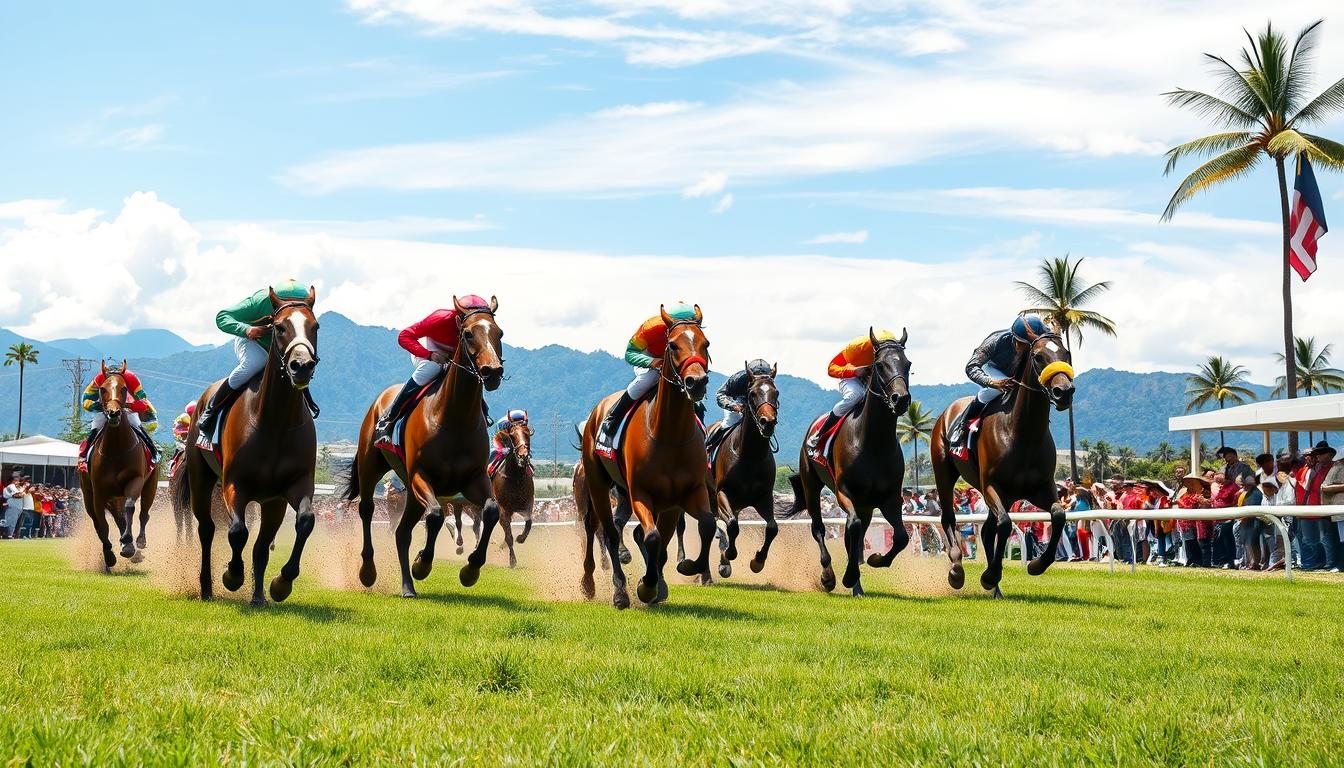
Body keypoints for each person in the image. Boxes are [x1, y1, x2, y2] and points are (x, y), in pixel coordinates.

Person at [195, 279, 313, 447]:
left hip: (280, 349)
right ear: (274, 300)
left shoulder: (305, 306)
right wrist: (247, 329)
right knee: (255, 363)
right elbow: (222, 317)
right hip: (252, 342)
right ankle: (210, 412)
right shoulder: (260, 301)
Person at [374, 296, 497, 445]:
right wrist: (429, 355)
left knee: (470, 372)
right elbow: (404, 336)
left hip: (454, 355)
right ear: (459, 320)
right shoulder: (440, 318)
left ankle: (483, 411)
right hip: (430, 349)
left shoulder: (482, 329)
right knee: (432, 368)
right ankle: (388, 419)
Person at [596, 303, 701, 453]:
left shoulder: (693, 333)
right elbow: (630, 353)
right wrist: (653, 362)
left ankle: (703, 436)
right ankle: (612, 419)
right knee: (647, 380)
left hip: (676, 364)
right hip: (649, 358)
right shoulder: (651, 328)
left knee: (695, 392)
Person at [947, 314, 1049, 459]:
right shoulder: (995, 341)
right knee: (994, 390)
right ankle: (962, 426)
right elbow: (971, 367)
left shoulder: (1042, 336)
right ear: (1014, 337)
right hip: (993, 369)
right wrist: (990, 382)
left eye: (1029, 346)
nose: (1024, 349)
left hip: (1018, 371)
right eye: (1022, 344)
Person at [807, 328, 903, 453]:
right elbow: (831, 368)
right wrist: (855, 371)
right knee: (856, 395)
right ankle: (819, 434)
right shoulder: (858, 347)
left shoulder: (892, 352)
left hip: (871, 377)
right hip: (851, 377)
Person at [79, 363, 160, 464]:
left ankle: (153, 450)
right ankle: (85, 455)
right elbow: (86, 401)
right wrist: (101, 406)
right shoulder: (99, 378)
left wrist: (129, 406)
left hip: (127, 406)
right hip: (105, 408)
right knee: (96, 426)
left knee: (135, 424)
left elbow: (143, 402)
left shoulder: (131, 378)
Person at [706, 359, 773, 454]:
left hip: (753, 408)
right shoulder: (738, 378)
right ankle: (708, 446)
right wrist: (734, 406)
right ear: (749, 374)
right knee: (729, 422)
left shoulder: (767, 382)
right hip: (734, 403)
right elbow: (720, 394)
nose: (760, 381)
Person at [1307, 441, 1342, 572]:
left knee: (1331, 538)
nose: (1318, 457)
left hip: (1331, 508)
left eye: (1321, 454)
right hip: (1320, 508)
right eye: (1317, 454)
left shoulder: (1335, 468)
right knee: (1324, 538)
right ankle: (1327, 562)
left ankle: (1332, 563)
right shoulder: (1319, 469)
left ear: (1329, 454)